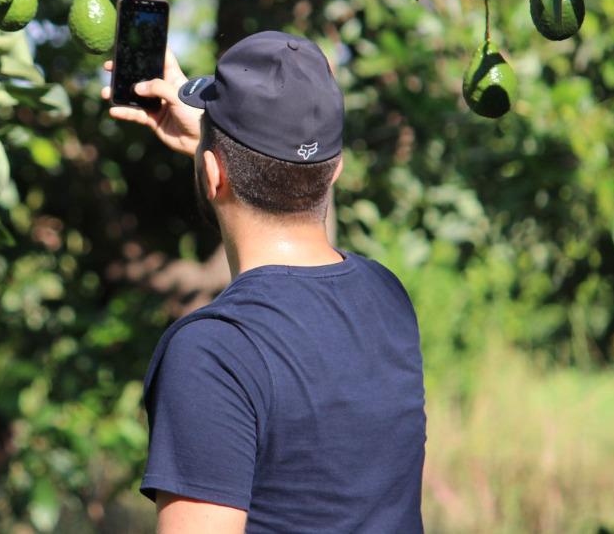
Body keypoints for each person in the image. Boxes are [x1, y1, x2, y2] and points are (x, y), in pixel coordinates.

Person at [102, 31, 426, 534]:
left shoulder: (213, 353)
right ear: (335, 170)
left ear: (212, 176)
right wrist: (217, 153)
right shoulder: (386, 299)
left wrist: (220, 156)